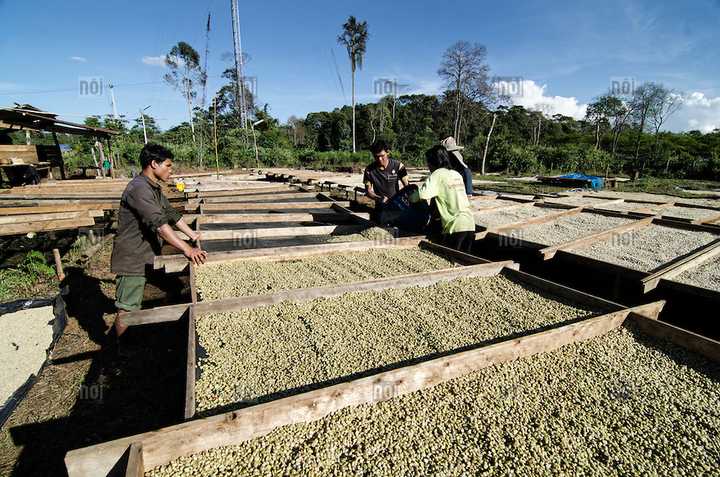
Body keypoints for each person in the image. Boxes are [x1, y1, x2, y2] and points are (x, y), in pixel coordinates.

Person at [110, 143, 207, 338]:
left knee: (174, 288)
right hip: (133, 258)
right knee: (127, 309)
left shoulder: (152, 187)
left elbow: (170, 213)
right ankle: (115, 349)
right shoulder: (139, 189)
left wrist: (193, 235)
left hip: (148, 255)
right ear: (154, 164)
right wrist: (188, 249)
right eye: (168, 165)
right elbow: (161, 225)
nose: (171, 170)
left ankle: (161, 331)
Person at [410, 145, 476, 252]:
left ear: (433, 162)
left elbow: (421, 195)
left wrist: (410, 197)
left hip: (455, 226)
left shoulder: (437, 174)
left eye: (428, 163)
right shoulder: (456, 174)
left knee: (449, 261)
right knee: (463, 261)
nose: (428, 167)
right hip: (469, 224)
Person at [363, 139, 409, 221]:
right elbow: (368, 191)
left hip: (396, 207)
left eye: (382, 156)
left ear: (388, 152)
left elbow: (408, 187)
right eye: (376, 157)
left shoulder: (398, 166)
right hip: (380, 208)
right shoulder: (369, 171)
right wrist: (379, 198)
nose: (380, 159)